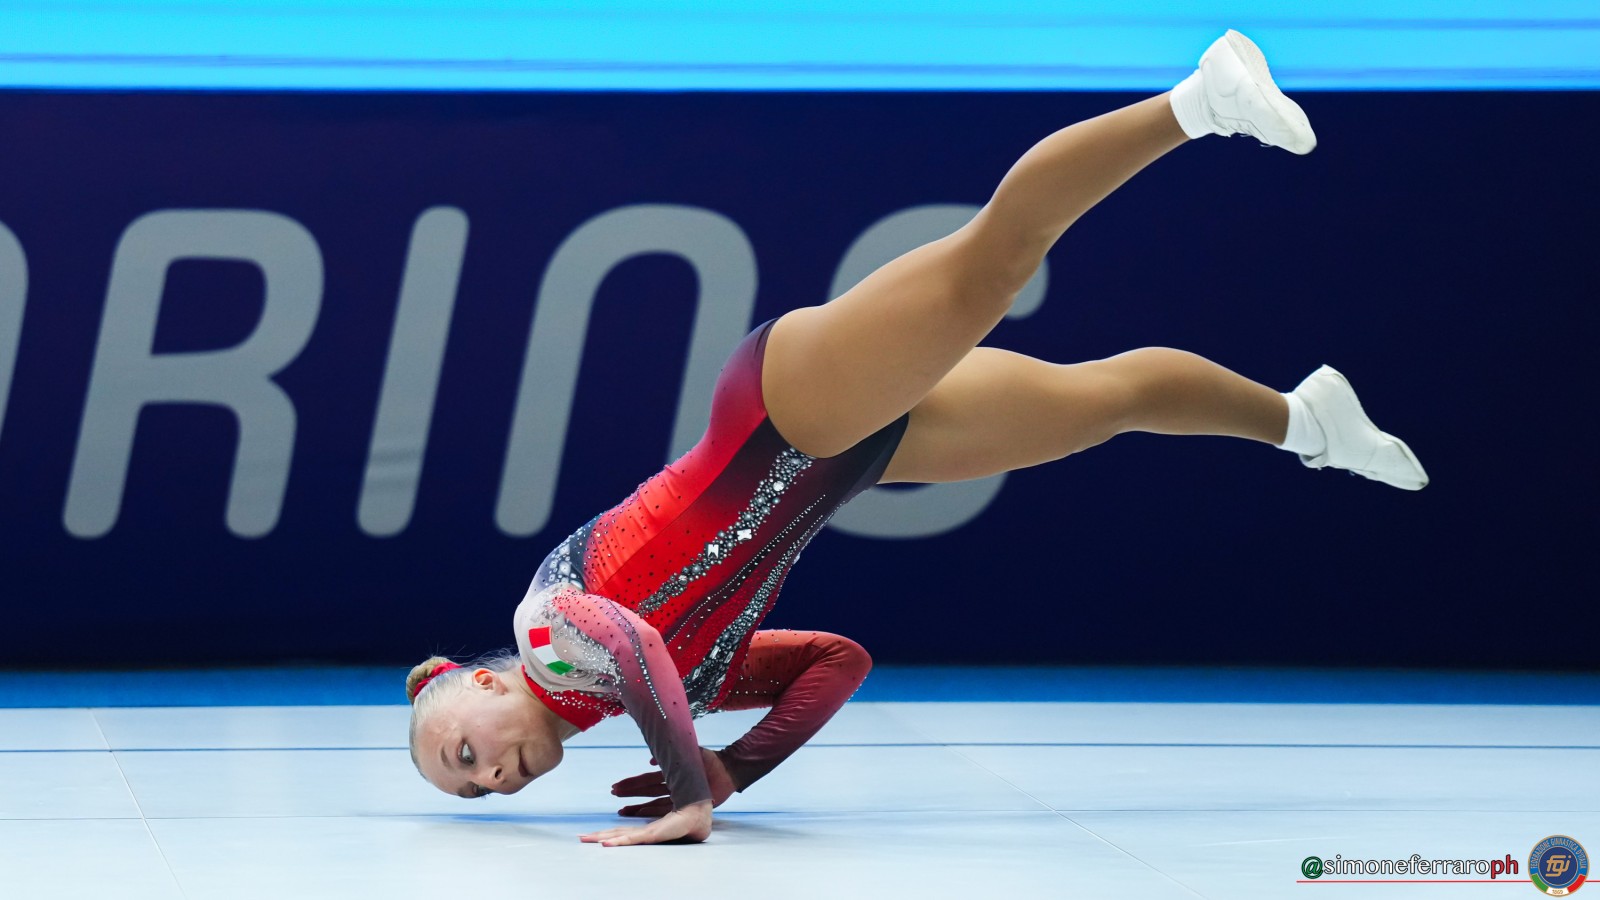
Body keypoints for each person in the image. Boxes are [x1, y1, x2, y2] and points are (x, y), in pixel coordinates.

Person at [403, 30, 1428, 847]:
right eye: (477, 791)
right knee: (1103, 403)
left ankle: (1199, 99)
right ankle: (1306, 421)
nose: (492, 777)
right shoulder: (658, 690)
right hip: (848, 458)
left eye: (463, 755)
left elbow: (633, 642)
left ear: (478, 682)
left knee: (995, 258)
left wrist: (690, 792)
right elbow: (834, 662)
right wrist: (735, 764)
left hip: (782, 416)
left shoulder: (548, 634)